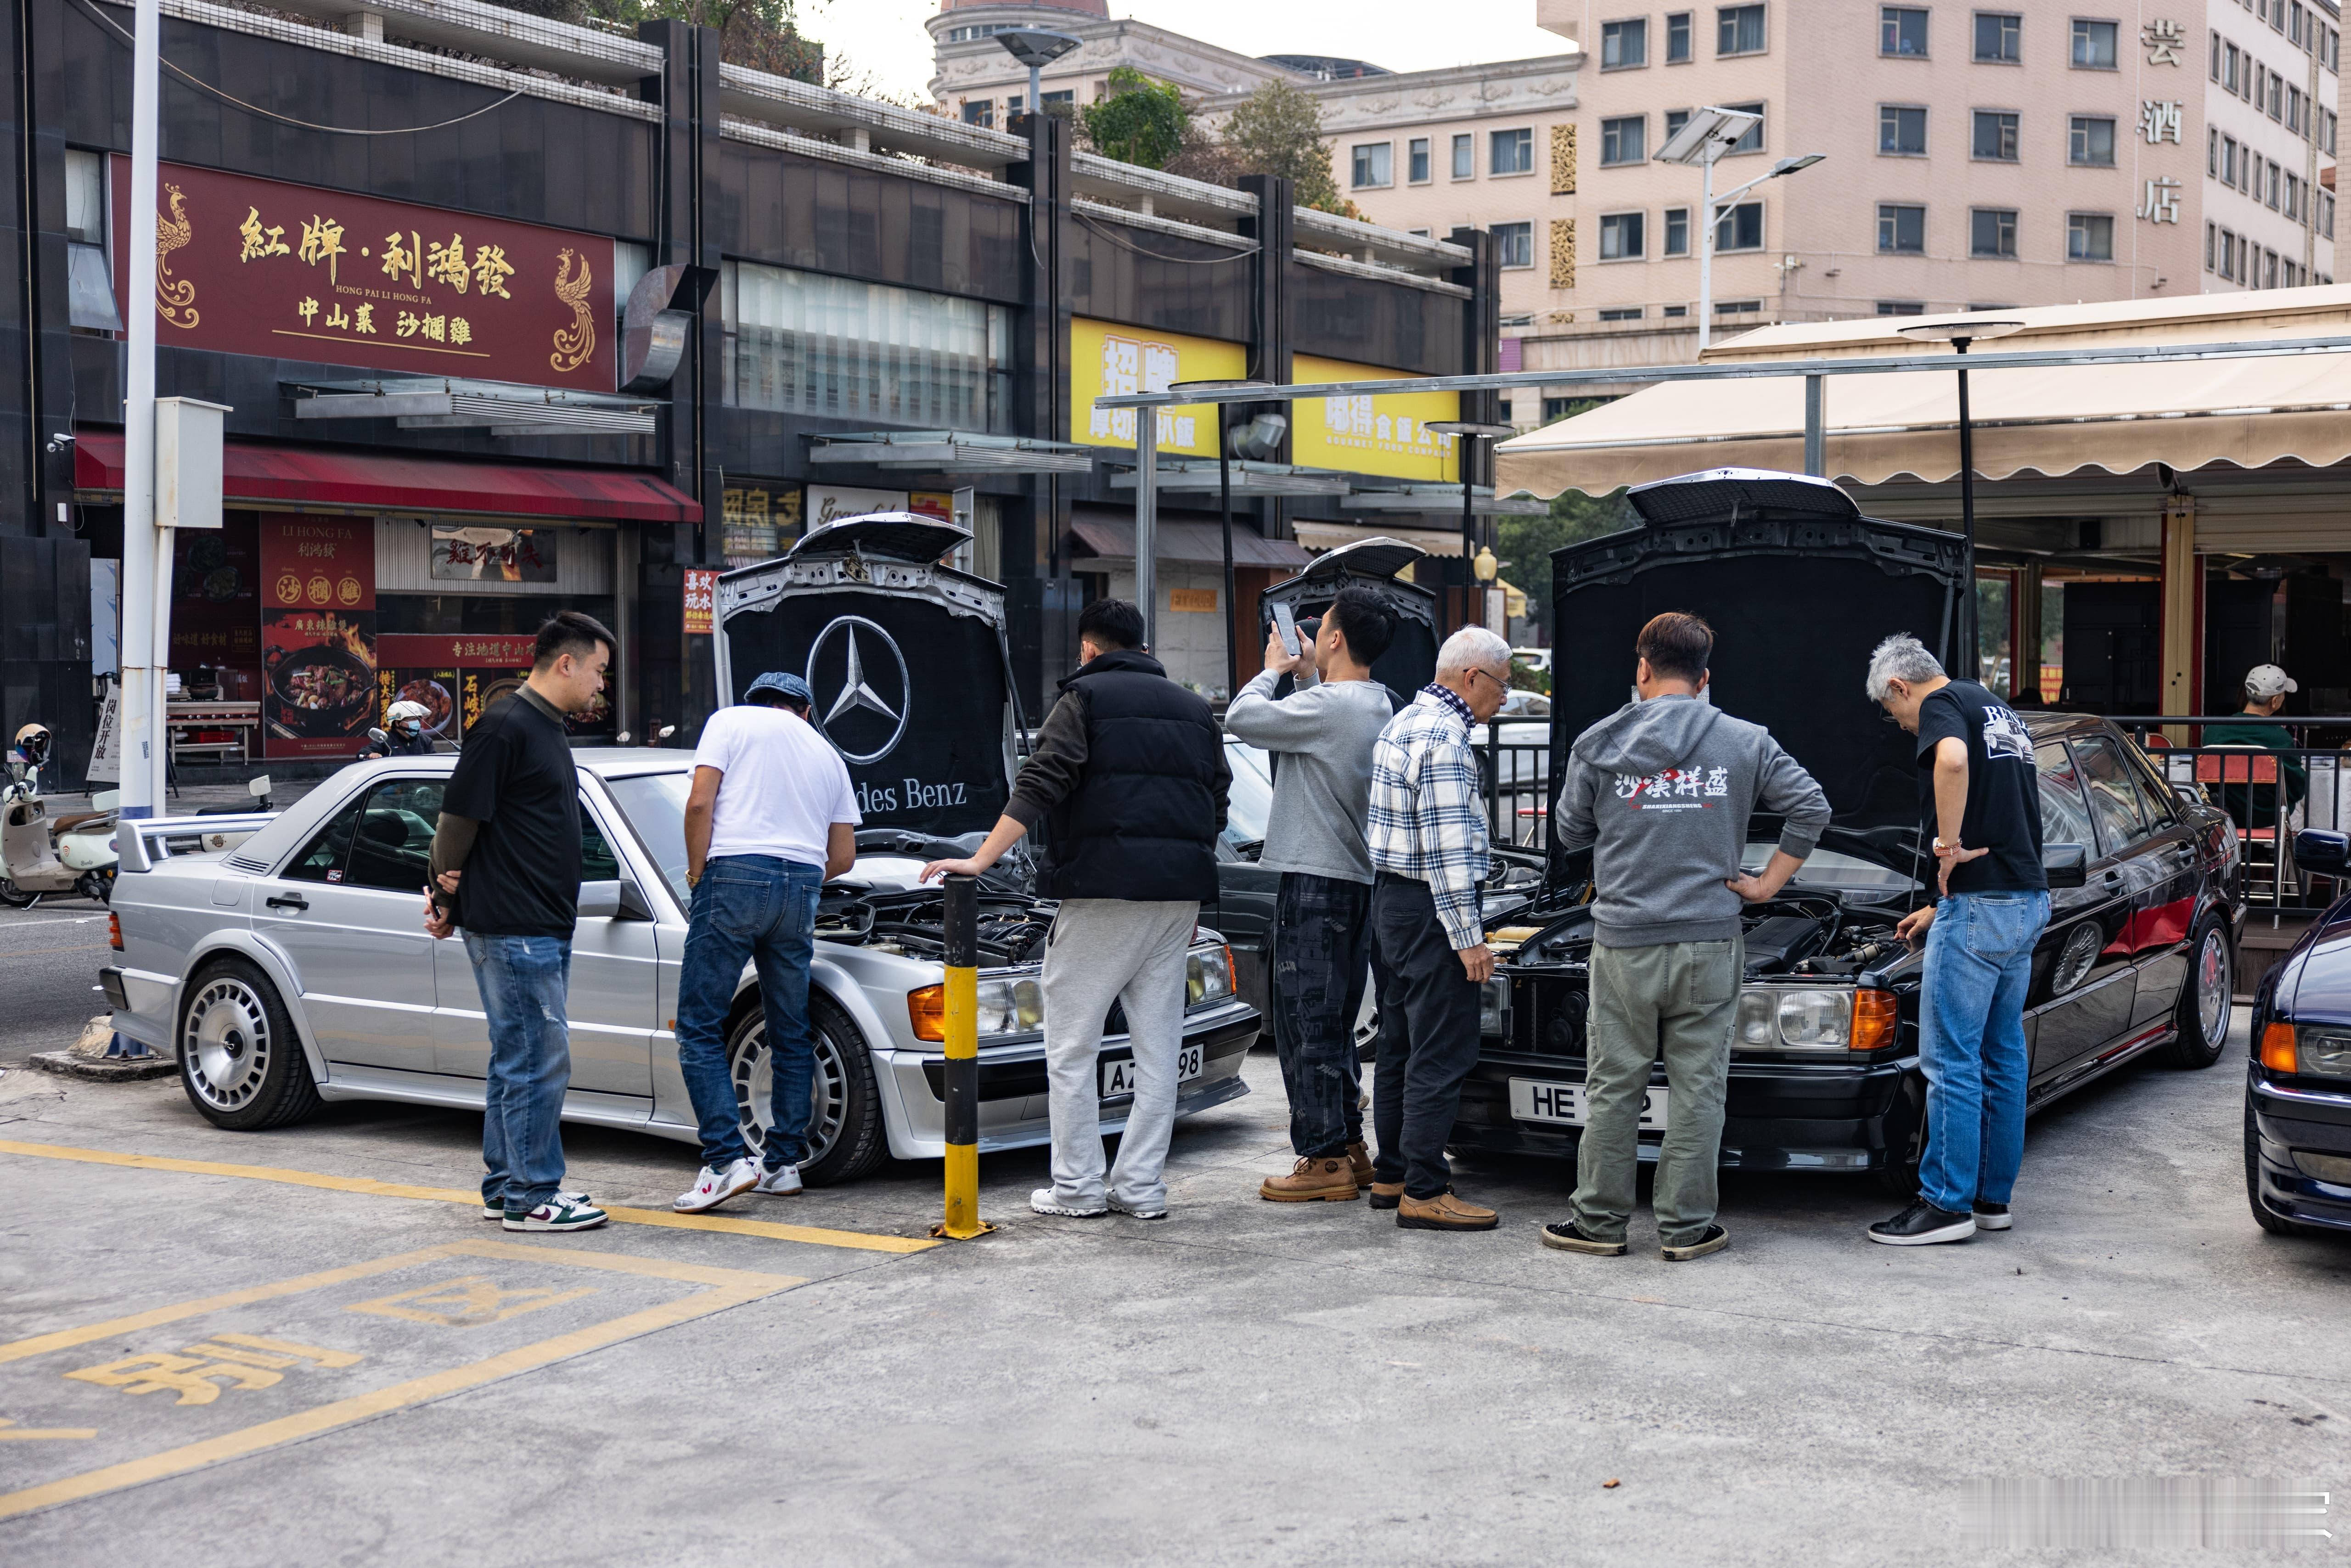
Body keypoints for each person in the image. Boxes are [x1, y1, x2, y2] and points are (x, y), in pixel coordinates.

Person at [920, 598, 1229, 1222]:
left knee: (1070, 1047)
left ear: (1088, 649)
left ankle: (1078, 1187)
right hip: (1177, 899)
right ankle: (1141, 1187)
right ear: (1143, 649)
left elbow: (1041, 780)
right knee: (1158, 1051)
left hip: (1101, 895)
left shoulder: (1083, 698)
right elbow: (1216, 802)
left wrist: (980, 859)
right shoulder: (1197, 710)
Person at [1540, 613, 1832, 1263]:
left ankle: (1599, 1223)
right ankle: (1686, 1228)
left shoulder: (1598, 742)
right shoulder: (1745, 740)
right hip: (1710, 941)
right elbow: (1811, 806)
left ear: (1642, 668)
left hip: (1623, 942)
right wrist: (1766, 884)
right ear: (1704, 678)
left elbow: (1569, 833)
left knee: (1614, 1085)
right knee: (1700, 1087)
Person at [423, 611, 615, 1233]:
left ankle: (507, 1184)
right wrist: (443, 896)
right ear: (566, 662)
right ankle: (533, 1195)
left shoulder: (545, 727)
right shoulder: (505, 725)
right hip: (516, 925)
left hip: (537, 923)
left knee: (518, 1057)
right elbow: (457, 820)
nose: (601, 684)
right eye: (598, 670)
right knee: (538, 1059)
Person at [1863, 632, 2049, 1246]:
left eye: (1894, 712)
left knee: (1950, 1059)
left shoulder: (1941, 704)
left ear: (1900, 686)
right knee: (2002, 1054)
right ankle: (1991, 1198)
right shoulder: (1994, 705)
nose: (1900, 725)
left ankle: (1945, 1203)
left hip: (1980, 906)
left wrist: (1947, 848)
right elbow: (2004, 805)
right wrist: (1939, 904)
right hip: (2024, 898)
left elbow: (1950, 761)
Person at [1222, 587, 1398, 1203]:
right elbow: (1314, 726)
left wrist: (1272, 668)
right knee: (1334, 1021)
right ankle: (1348, 1145)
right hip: (1355, 880)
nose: (1314, 635)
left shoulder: (1329, 705)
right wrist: (1301, 677)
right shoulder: (1376, 702)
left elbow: (1241, 718)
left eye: (1321, 628)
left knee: (1306, 1023)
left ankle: (1322, 1160)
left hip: (1316, 879)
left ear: (1335, 639)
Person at [671, 672, 861, 1212]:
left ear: (755, 702)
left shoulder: (729, 721)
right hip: (800, 887)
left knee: (699, 1024)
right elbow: (843, 857)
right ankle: (781, 1164)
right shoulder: (828, 754)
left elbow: (699, 804)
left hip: (733, 874)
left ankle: (724, 1161)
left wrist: (697, 872)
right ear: (805, 710)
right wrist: (796, 881)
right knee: (790, 1028)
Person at [1364, 624, 1513, 1232]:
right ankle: (1425, 1189)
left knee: (1398, 1044)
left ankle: (1393, 1173)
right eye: (1502, 685)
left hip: (1391, 901)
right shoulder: (1446, 739)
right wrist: (1468, 937)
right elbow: (1447, 850)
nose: (1504, 697)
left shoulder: (1401, 723)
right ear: (1472, 677)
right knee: (1441, 1050)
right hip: (1432, 907)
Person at [2203, 664, 2308, 832]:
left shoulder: (2213, 730)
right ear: (2275, 701)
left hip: (2225, 814)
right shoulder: (2280, 737)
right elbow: (2296, 789)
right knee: (2300, 810)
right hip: (2270, 816)